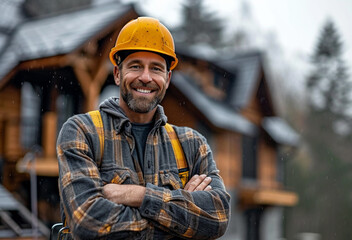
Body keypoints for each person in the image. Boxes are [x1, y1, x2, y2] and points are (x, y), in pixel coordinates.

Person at [57, 16, 230, 240]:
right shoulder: (82, 132)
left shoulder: (192, 145)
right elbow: (88, 222)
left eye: (156, 68)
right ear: (117, 74)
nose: (145, 77)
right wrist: (180, 215)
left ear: (167, 79)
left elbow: (218, 217)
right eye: (135, 66)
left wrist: (138, 196)